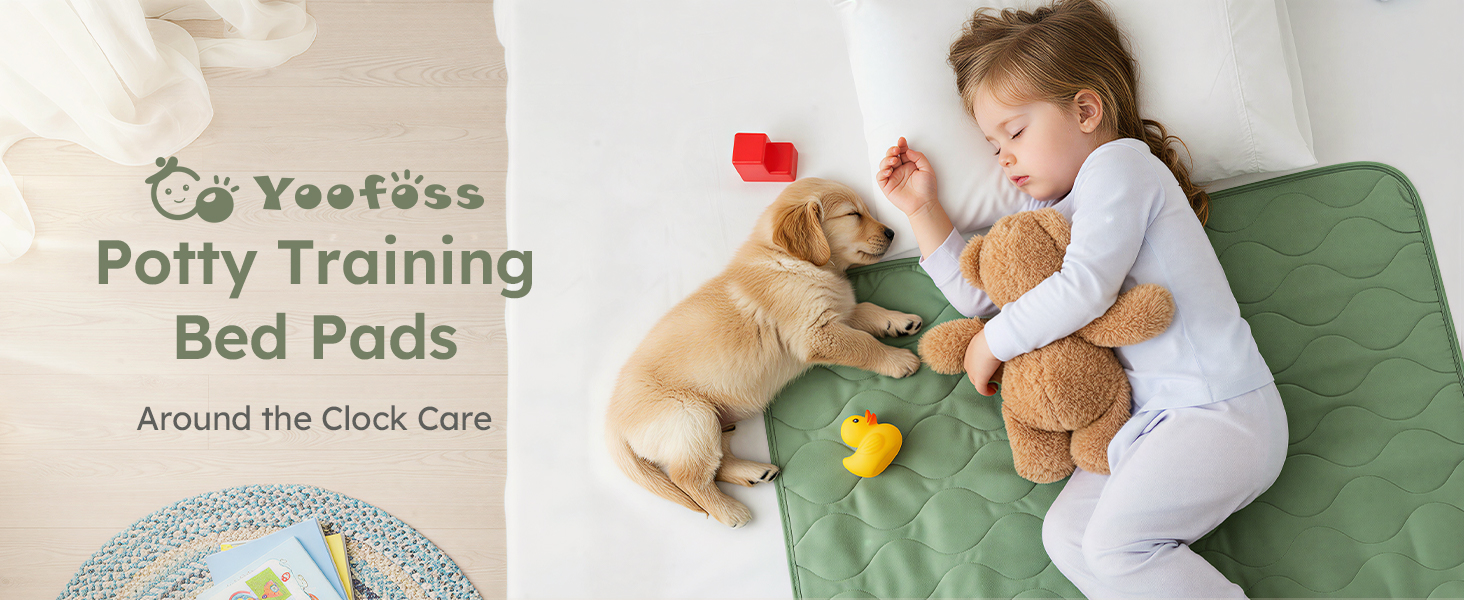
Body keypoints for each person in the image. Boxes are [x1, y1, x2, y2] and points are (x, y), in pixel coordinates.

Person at [874, 0, 1288, 597]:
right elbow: (989, 299)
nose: (1004, 157)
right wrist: (922, 208)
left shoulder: (1121, 168)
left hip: (1217, 411)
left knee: (1114, 548)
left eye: (1014, 132)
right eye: (992, 147)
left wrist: (994, 341)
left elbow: (1084, 289)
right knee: (1068, 535)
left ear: (1087, 109)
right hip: (1150, 425)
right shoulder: (1050, 215)